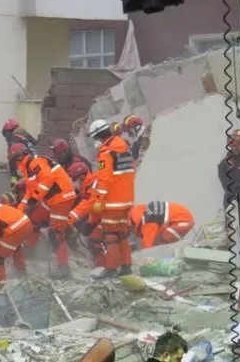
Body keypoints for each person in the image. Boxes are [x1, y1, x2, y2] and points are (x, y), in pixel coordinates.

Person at [8, 143, 76, 278]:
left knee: (56, 232)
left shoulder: (35, 162)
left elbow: (47, 179)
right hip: (51, 199)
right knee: (34, 217)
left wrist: (35, 197)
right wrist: (19, 210)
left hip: (61, 197)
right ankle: (29, 249)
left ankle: (64, 268)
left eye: (14, 161)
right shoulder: (29, 169)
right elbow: (29, 191)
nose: (15, 165)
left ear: (19, 157)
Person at [86, 119, 136, 278]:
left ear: (98, 135)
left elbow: (104, 179)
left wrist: (99, 200)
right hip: (127, 200)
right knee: (122, 234)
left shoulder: (106, 152)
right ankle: (126, 267)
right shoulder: (124, 148)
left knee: (110, 235)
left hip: (113, 202)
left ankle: (112, 268)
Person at [0, 201, 34, 281]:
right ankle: (22, 274)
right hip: (26, 223)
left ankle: (0, 285)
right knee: (15, 247)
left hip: (16, 228)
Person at [66, 161, 105, 269]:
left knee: (95, 241)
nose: (73, 182)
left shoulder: (92, 186)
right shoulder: (89, 185)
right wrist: (91, 222)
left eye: (74, 179)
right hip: (101, 217)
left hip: (109, 216)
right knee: (90, 236)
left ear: (82, 176)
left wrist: (68, 220)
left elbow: (87, 205)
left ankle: (103, 268)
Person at [129, 201, 195, 249]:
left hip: (183, 220)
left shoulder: (147, 222)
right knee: (161, 241)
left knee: (163, 244)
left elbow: (147, 249)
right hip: (181, 218)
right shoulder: (142, 212)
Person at [1, 118, 38, 183]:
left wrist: (14, 176)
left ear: (7, 132)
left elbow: (13, 156)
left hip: (26, 167)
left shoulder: (13, 139)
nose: (6, 138)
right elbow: (37, 144)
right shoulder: (24, 135)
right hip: (36, 164)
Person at [219, 130, 240, 211]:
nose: (234, 148)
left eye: (237, 145)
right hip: (232, 202)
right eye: (232, 146)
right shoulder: (224, 164)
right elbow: (226, 185)